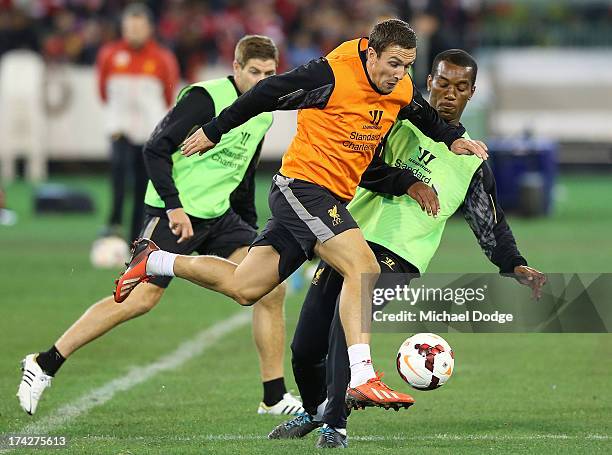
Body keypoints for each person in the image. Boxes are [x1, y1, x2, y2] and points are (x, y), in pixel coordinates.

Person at [115, 19, 489, 412]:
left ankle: (154, 259)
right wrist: (214, 129)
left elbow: (420, 114)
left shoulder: (400, 85)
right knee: (363, 266)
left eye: (407, 65)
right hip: (303, 186)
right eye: (393, 63)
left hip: (325, 198)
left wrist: (454, 139)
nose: (399, 74)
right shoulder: (330, 74)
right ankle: (363, 376)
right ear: (371, 53)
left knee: (246, 286)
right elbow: (264, 94)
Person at [269, 49, 547, 448]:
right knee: (304, 348)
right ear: (428, 82)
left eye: (461, 87)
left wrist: (515, 264)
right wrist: (408, 182)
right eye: (443, 83)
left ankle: (336, 425)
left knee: (342, 330)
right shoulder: (393, 119)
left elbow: (490, 224)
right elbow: (358, 166)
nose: (450, 93)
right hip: (347, 240)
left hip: (398, 257)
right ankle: (315, 409)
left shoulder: (472, 160)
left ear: (472, 92)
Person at [17, 35, 303, 417]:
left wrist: (248, 228)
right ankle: (44, 363)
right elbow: (154, 148)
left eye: (270, 73)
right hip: (171, 213)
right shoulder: (205, 98)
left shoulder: (264, 111)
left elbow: (244, 172)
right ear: (236, 68)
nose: (263, 81)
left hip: (219, 217)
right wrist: (174, 206)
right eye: (255, 72)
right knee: (138, 301)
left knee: (271, 288)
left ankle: (273, 396)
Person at [96, 3, 179, 242]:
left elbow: (168, 95)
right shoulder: (110, 55)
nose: (133, 32)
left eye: (138, 27)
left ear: (149, 29)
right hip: (119, 128)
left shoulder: (162, 58)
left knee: (144, 183)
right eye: (129, 27)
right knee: (119, 171)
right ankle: (114, 222)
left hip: (148, 132)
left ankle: (136, 235)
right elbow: (102, 91)